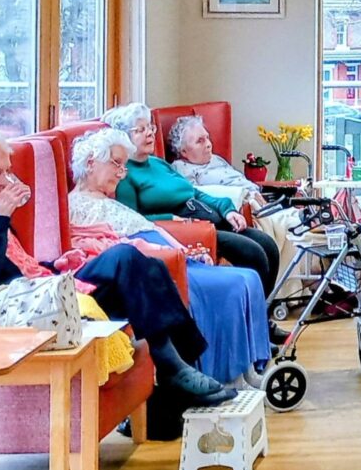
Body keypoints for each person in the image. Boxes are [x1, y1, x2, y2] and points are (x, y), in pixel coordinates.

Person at [0, 126, 234, 406]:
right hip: (26, 311)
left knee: (147, 267)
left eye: (8, 170)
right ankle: (175, 366)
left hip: (45, 287)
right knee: (125, 258)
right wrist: (1, 218)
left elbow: (20, 266)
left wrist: (54, 263)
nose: (6, 180)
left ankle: (179, 367)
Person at [68, 129, 271, 388]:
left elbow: (151, 228)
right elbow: (118, 246)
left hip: (169, 254)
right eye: (116, 164)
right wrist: (177, 253)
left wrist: (185, 250)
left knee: (250, 274)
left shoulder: (120, 191)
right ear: (90, 163)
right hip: (156, 263)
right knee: (233, 283)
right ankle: (220, 373)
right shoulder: (78, 207)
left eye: (123, 166)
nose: (121, 172)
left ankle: (247, 365)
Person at [101, 104, 288, 345]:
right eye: (140, 130)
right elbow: (133, 220)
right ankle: (253, 333)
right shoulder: (127, 175)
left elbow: (195, 192)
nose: (150, 133)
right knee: (254, 254)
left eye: (150, 127)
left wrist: (227, 208)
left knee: (268, 246)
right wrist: (171, 219)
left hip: (207, 216)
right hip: (189, 230)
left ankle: (261, 321)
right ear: (124, 137)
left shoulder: (158, 164)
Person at [168, 114, 300, 292]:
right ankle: (288, 291)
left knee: (306, 224)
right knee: (295, 227)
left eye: (207, 138)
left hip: (261, 203)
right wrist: (246, 195)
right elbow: (194, 195)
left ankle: (314, 287)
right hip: (246, 211)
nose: (208, 144)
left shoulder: (216, 159)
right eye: (200, 141)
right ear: (183, 151)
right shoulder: (181, 169)